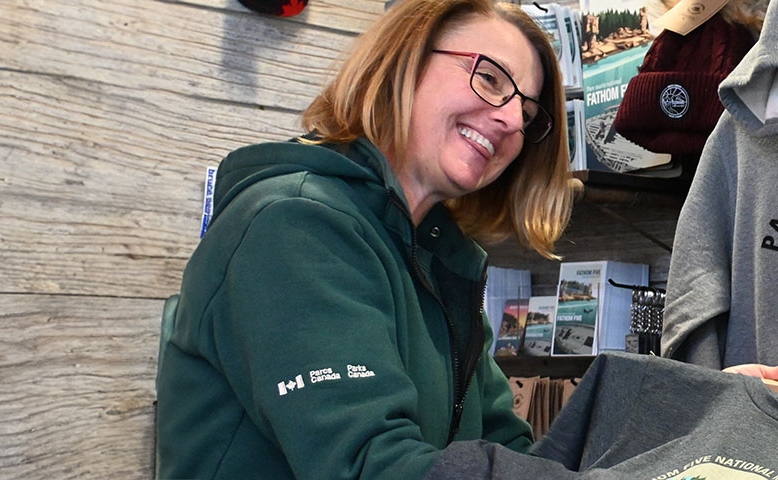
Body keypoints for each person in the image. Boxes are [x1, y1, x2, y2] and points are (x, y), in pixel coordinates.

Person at [154, 0, 572, 477]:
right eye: (491, 78)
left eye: (529, 111)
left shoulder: (442, 262)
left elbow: (507, 447)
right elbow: (368, 465)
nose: (513, 120)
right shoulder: (293, 225)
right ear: (403, 60)